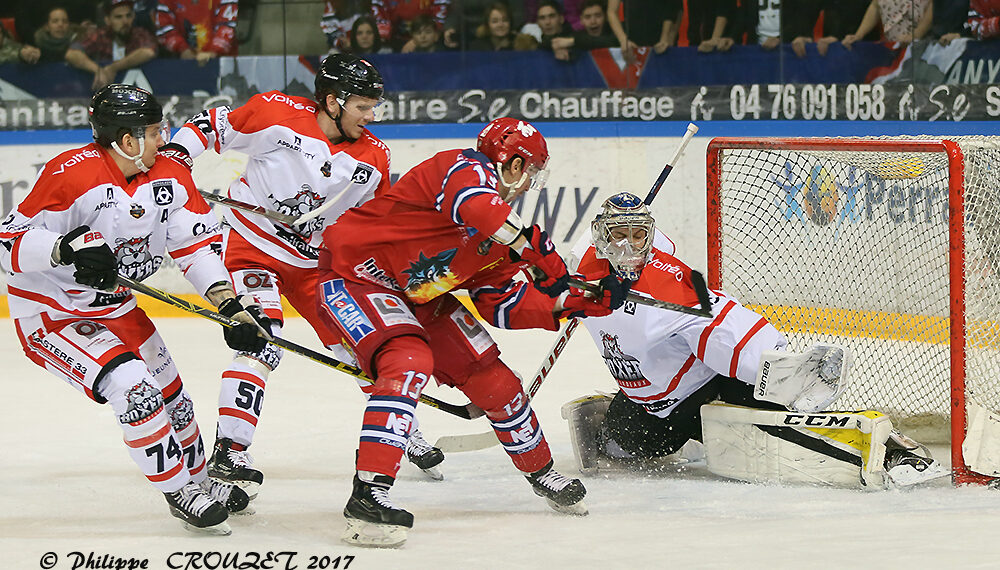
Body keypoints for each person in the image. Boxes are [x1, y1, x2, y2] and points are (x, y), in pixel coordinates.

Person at [316, 117, 628, 547]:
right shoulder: (462, 168)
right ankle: (369, 495)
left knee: (496, 382)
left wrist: (568, 302)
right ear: (514, 164)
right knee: (408, 362)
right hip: (355, 277)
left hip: (421, 298)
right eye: (530, 171)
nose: (527, 183)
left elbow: (501, 306)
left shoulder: (503, 236)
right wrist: (536, 249)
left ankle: (542, 472)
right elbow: (480, 208)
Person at [169, 54, 445, 498]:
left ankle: (400, 430)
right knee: (261, 335)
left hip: (317, 265)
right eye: (362, 107)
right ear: (333, 101)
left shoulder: (373, 157)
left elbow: (378, 222)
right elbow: (210, 125)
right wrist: (175, 160)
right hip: (251, 248)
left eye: (374, 107)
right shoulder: (278, 114)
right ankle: (230, 448)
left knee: (361, 346)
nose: (371, 116)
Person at [0, 84, 269, 535]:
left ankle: (201, 481)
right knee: (136, 391)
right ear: (127, 140)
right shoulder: (71, 173)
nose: (164, 138)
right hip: (54, 312)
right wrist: (62, 249)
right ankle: (180, 491)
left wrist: (230, 305)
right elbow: (8, 240)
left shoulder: (170, 173)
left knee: (175, 401)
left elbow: (195, 246)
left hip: (118, 307)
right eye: (154, 130)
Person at [561, 192, 949, 489]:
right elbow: (594, 248)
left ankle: (892, 449)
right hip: (654, 407)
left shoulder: (673, 292)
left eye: (638, 235)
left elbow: (736, 334)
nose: (628, 247)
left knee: (771, 430)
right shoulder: (586, 271)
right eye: (618, 235)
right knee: (630, 439)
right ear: (600, 237)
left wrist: (785, 374)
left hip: (705, 393)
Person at [65, 0, 157, 91]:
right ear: (107, 20)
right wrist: (98, 70)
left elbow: (148, 51)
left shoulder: (140, 34)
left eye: (128, 16)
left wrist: (113, 68)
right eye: (118, 17)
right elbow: (72, 54)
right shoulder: (100, 35)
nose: (125, 21)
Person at [154, 0, 238, 64]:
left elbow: (227, 25)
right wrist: (182, 49)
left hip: (222, 63)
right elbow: (164, 26)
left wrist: (212, 52)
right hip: (180, 62)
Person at [606, 0, 680, 59]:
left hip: (662, 41)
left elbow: (673, 7)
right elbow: (612, 11)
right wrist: (623, 40)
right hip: (633, 43)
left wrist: (665, 38)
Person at [842, 0, 933, 48]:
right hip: (890, 48)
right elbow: (876, 6)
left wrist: (915, 35)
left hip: (920, 48)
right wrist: (859, 35)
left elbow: (932, 9)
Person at [549, 0, 618, 60]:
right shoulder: (577, 35)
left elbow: (611, 41)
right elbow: (546, 41)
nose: (593, 21)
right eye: (587, 17)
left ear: (606, 17)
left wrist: (574, 41)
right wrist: (557, 48)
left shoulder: (616, 34)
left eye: (598, 16)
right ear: (581, 20)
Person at [372, 0, 450, 51]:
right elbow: (382, 20)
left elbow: (440, 19)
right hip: (395, 41)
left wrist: (415, 40)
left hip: (430, 40)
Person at [468, 2, 537, 51]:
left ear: (510, 22)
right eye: (495, 21)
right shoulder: (477, 47)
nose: (500, 25)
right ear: (487, 24)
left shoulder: (523, 45)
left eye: (505, 20)